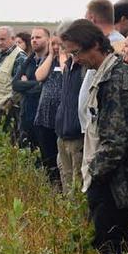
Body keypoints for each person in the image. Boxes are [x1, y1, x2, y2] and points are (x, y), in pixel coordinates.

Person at [61, 19, 128, 254]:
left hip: (121, 183)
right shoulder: (108, 72)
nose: (74, 59)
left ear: (95, 45)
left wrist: (94, 176)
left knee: (112, 248)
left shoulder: (116, 79)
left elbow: (116, 140)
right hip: (114, 179)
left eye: (76, 52)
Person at [53, 23, 88, 194]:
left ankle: (79, 219)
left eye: (64, 43)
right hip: (63, 132)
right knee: (66, 178)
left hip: (77, 135)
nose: (62, 48)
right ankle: (69, 216)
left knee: (78, 182)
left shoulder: (85, 67)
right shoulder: (68, 65)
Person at [33, 33, 65, 185]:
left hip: (61, 117)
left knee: (60, 157)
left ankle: (60, 184)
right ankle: (52, 184)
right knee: (47, 154)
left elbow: (66, 72)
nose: (56, 47)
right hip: (45, 114)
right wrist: (51, 56)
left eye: (59, 44)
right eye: (53, 44)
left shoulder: (70, 62)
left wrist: (63, 55)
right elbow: (39, 76)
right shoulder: (48, 61)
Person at [12, 27, 49, 149]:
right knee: (27, 152)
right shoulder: (30, 60)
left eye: (38, 37)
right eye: (32, 37)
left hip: (43, 118)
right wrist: (36, 84)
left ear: (48, 40)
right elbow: (15, 84)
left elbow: (45, 88)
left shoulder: (51, 61)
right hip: (26, 115)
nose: (34, 40)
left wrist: (26, 85)